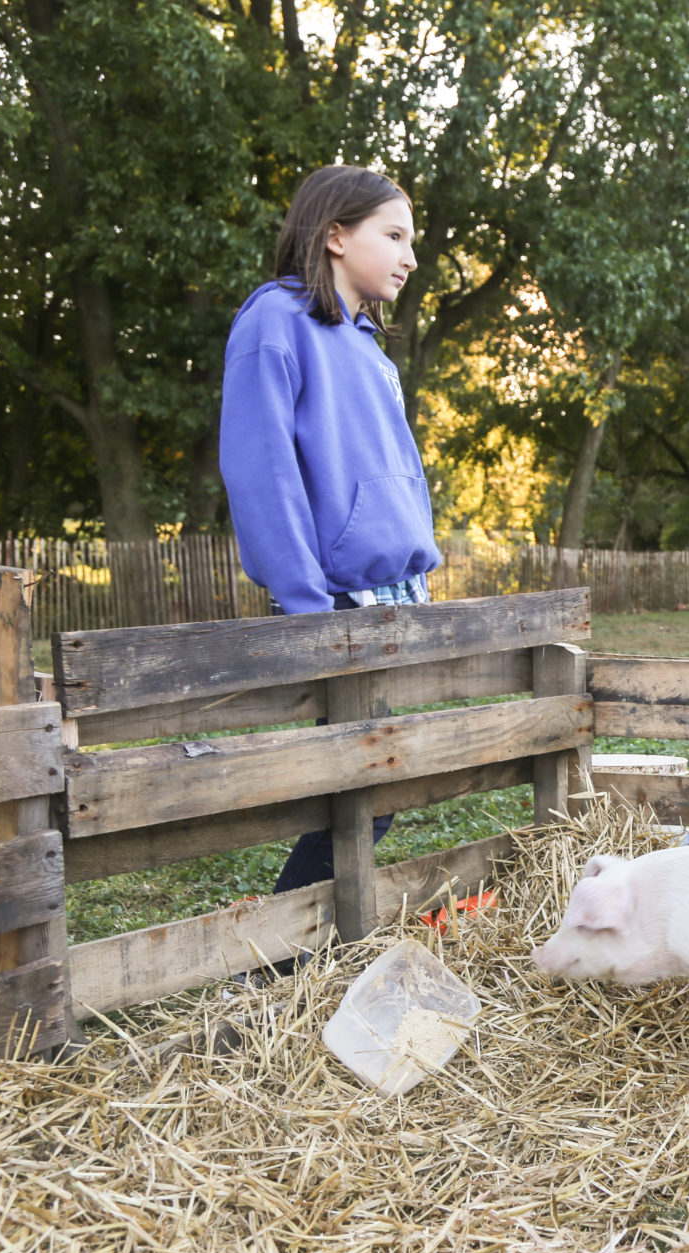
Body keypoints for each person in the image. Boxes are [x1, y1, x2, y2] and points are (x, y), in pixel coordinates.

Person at [219, 164, 441, 893]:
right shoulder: (274, 321)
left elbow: (397, 470)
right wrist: (307, 602)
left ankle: (302, 965)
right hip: (335, 599)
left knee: (376, 787)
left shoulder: (371, 347)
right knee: (363, 790)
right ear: (335, 234)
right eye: (395, 235)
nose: (411, 257)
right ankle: (273, 973)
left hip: (396, 593)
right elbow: (261, 470)